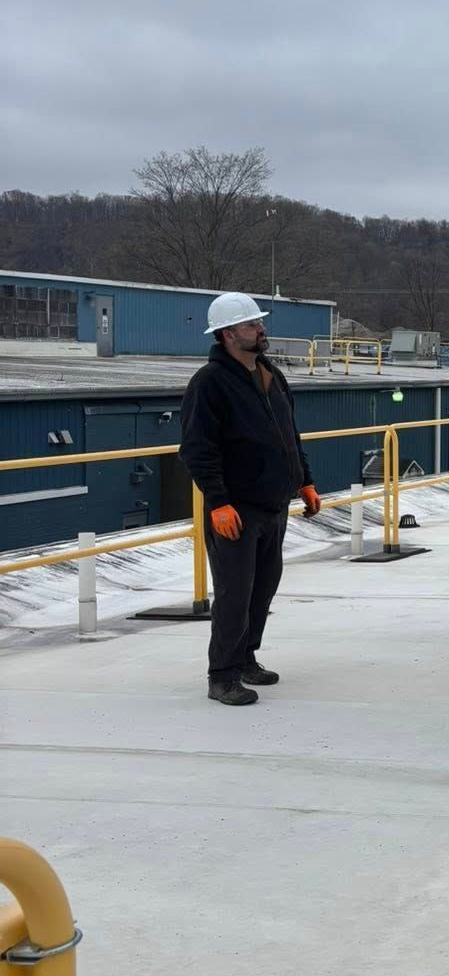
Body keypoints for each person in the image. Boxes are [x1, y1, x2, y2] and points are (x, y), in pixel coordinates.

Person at [179, 293, 321, 705]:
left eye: (259, 323)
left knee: (262, 589)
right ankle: (221, 675)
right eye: (252, 325)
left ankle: (245, 657)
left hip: (274, 506)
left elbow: (289, 436)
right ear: (227, 334)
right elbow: (197, 450)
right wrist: (219, 502)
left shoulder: (269, 374)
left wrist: (304, 481)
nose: (262, 330)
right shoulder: (209, 384)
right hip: (235, 510)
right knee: (234, 594)